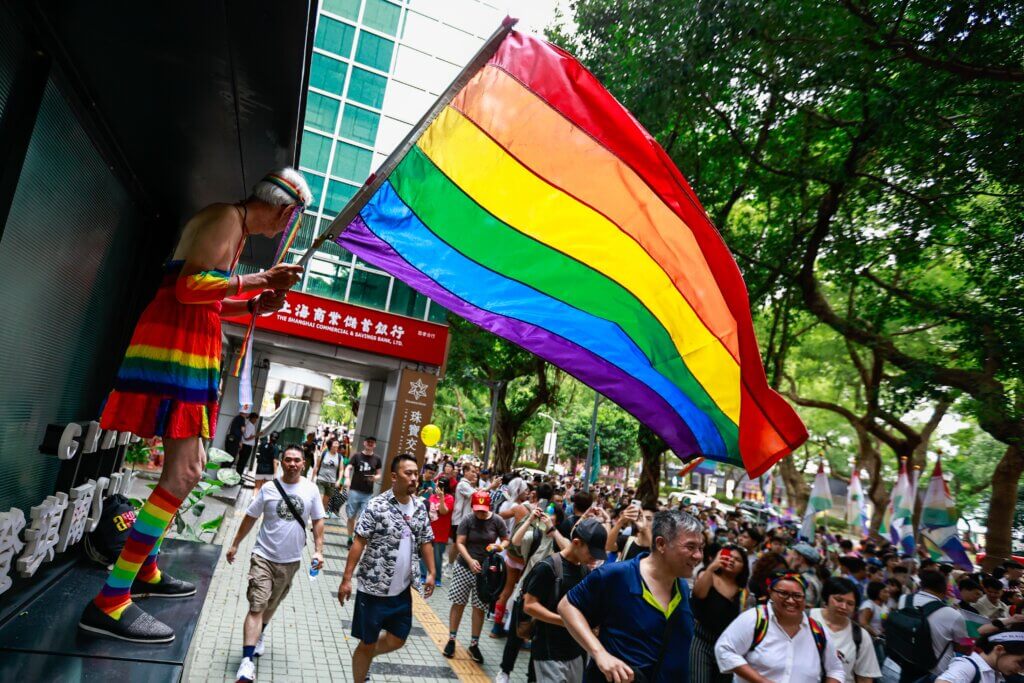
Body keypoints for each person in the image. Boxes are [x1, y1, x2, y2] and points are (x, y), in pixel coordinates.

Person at [78, 169, 308, 643]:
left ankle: (143, 570)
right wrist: (261, 278)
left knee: (192, 467)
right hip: (176, 349)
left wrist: (254, 304)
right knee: (183, 473)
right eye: (292, 220)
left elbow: (208, 299)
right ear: (286, 212)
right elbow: (186, 290)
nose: (287, 228)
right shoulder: (227, 218)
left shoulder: (234, 225)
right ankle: (111, 598)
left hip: (187, 346)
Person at [559, 509, 702, 682]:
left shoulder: (683, 589)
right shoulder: (616, 576)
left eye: (701, 548)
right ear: (661, 544)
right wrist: (599, 653)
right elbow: (567, 606)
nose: (698, 556)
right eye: (690, 547)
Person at [226, 445, 325, 683]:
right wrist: (235, 543)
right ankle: (246, 661)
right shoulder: (269, 488)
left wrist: (319, 551)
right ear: (281, 462)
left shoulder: (311, 490)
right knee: (257, 605)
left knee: (272, 604)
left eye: (297, 460)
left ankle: (260, 636)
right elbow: (250, 516)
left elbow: (318, 520)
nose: (292, 464)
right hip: (263, 557)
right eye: (288, 460)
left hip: (291, 561)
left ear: (304, 464)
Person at [337, 454, 435, 683]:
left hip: (401, 590)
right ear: (393, 476)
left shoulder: (420, 506)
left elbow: (426, 540)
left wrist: (431, 572)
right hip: (373, 589)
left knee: (398, 638)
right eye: (407, 473)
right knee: (368, 641)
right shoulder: (377, 505)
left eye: (415, 473)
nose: (414, 478)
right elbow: (359, 541)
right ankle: (361, 673)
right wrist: (346, 578)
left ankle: (365, 655)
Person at [518, 518, 607, 683]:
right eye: (592, 553)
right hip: (548, 652)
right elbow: (529, 606)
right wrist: (566, 621)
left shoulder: (584, 572)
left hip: (575, 652)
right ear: (576, 542)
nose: (594, 559)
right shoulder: (547, 567)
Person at [715, 570, 845, 683]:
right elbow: (725, 649)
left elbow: (835, 669)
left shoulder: (817, 631)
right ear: (770, 593)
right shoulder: (755, 619)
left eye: (797, 596)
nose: (790, 600)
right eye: (783, 593)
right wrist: (760, 680)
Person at [443, 490, 508, 664]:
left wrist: (499, 547)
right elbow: (460, 542)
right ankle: (451, 639)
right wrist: (470, 560)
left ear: (489, 507)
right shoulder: (468, 520)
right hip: (465, 567)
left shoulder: (497, 520)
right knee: (458, 603)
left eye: (483, 509)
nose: (479, 513)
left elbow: (506, 539)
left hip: (485, 573)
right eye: (477, 509)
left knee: (479, 608)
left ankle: (474, 644)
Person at [882, 569, 970, 682]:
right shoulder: (953, 615)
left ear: (922, 585)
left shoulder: (904, 599)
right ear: (944, 589)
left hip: (902, 660)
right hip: (933, 672)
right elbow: (964, 647)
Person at [691, 544, 749, 683]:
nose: (732, 561)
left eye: (737, 559)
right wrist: (712, 566)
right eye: (729, 557)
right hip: (702, 639)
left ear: (743, 567)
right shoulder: (709, 575)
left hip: (727, 646)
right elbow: (698, 594)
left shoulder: (742, 592)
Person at [812, 577, 882, 683]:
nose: (843, 606)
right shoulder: (807, 619)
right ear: (827, 597)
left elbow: (864, 678)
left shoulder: (860, 636)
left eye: (850, 603)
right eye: (838, 600)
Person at [935, 630, 1024, 683]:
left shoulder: (997, 674)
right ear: (999, 650)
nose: (1020, 670)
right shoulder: (968, 666)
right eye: (1020, 663)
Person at [344, 436, 382, 548]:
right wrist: (346, 477)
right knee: (351, 516)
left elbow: (379, 474)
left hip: (368, 493)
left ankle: (357, 538)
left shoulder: (377, 459)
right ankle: (349, 538)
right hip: (354, 491)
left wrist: (375, 478)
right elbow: (348, 467)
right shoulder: (357, 456)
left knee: (362, 517)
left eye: (372, 443)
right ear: (364, 443)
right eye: (368, 442)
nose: (370, 444)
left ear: (375, 445)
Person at [422, 477, 454, 587]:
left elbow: (443, 511)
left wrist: (441, 498)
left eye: (439, 485)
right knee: (424, 553)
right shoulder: (432, 496)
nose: (437, 487)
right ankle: (422, 575)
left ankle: (437, 578)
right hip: (429, 529)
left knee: (437, 556)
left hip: (442, 532)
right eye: (436, 484)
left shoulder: (450, 498)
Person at [448, 463, 480, 566]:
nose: (474, 474)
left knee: (461, 544)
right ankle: (449, 564)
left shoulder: (467, 484)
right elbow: (477, 495)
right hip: (459, 520)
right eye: (472, 471)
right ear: (465, 472)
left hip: (465, 520)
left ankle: (453, 564)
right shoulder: (462, 484)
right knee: (456, 544)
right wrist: (491, 486)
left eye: (475, 472)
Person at [787, 541, 824, 608]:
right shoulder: (814, 577)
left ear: (800, 558)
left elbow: (805, 605)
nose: (792, 557)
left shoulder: (805, 580)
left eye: (794, 554)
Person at [313, 438, 344, 514]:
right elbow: (317, 466)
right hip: (321, 480)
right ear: (330, 444)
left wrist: (339, 480)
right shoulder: (324, 453)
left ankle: (320, 518)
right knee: (319, 499)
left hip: (331, 483)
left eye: (337, 443)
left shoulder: (340, 457)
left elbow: (341, 470)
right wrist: (313, 478)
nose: (337, 444)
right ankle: (315, 515)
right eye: (335, 443)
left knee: (325, 503)